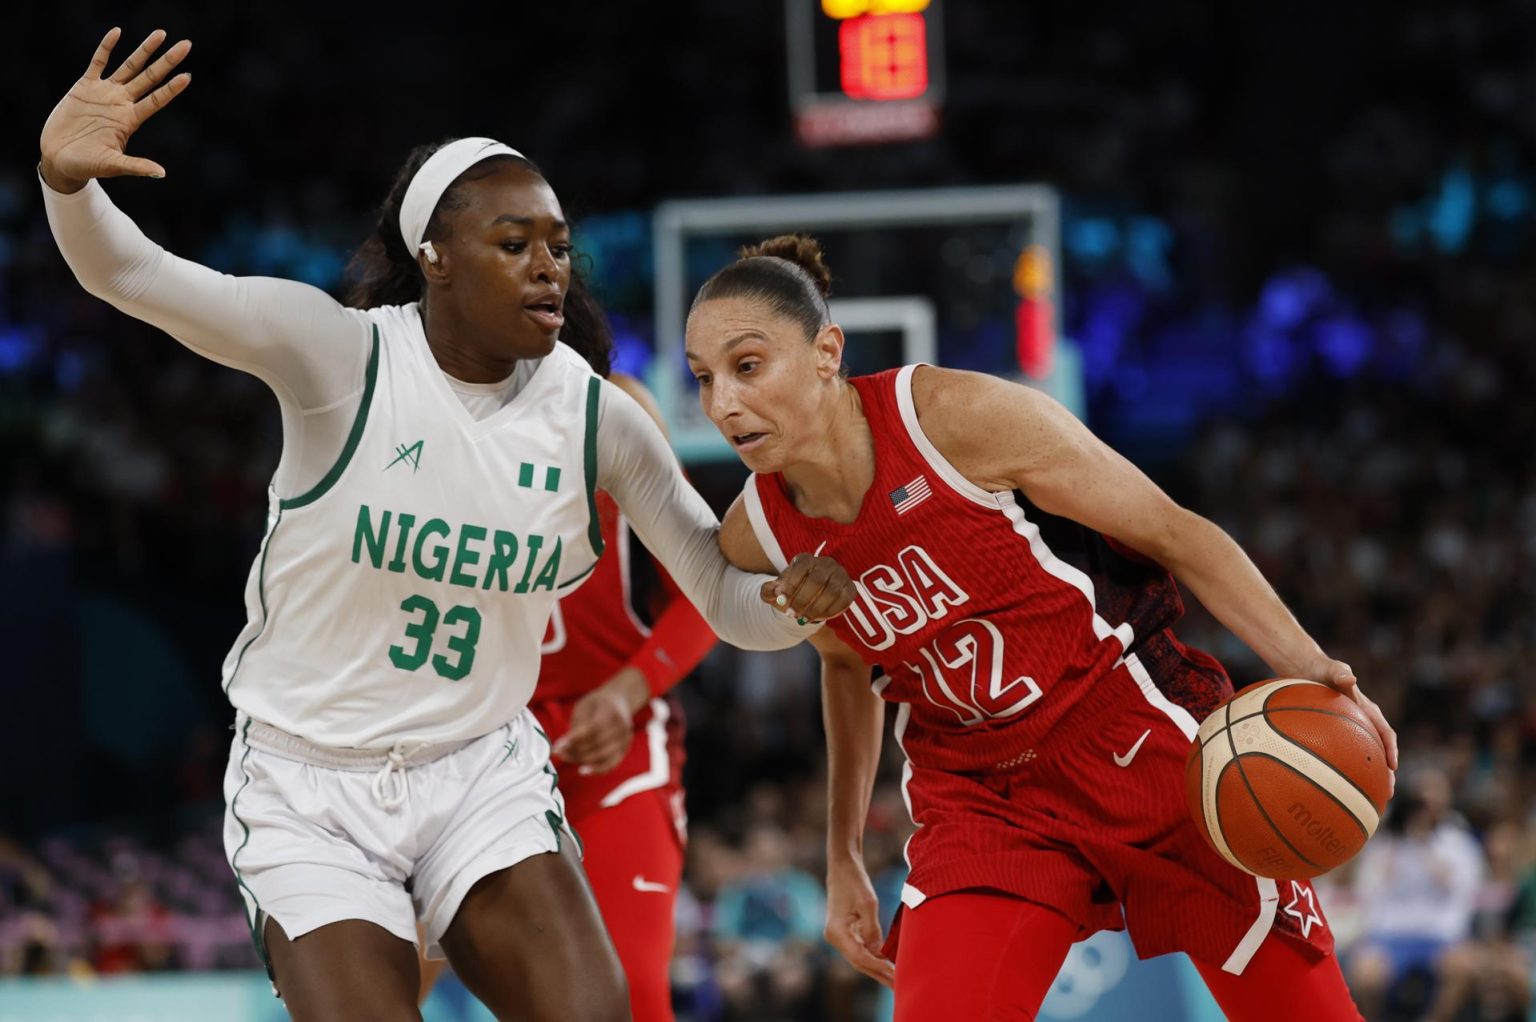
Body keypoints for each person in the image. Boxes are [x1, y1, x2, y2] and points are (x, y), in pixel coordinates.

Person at [38, 30, 852, 1022]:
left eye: (558, 244)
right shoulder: (336, 356)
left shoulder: (596, 412)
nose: (549, 266)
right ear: (434, 258)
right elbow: (136, 275)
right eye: (514, 245)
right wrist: (68, 186)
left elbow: (720, 597)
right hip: (311, 781)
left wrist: (788, 602)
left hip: (480, 767)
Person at [683, 234, 1402, 1021]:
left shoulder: (960, 420)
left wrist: (1316, 667)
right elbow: (848, 668)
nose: (723, 404)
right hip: (983, 795)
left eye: (747, 367)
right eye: (705, 379)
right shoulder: (758, 536)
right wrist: (843, 855)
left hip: (1140, 742)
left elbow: (1175, 532)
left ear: (827, 352)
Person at [417, 294, 716, 1022]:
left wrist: (628, 689)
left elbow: (705, 596)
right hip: (464, 750)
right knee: (376, 993)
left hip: (606, 744)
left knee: (635, 996)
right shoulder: (407, 424)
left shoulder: (613, 407)